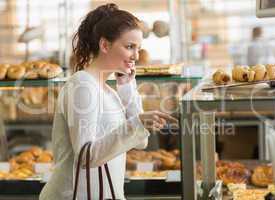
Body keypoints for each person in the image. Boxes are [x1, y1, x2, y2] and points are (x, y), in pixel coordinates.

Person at [39, 3, 177, 200]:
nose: (136, 56)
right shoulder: (82, 84)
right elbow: (87, 156)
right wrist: (137, 123)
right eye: (130, 47)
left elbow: (141, 142)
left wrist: (128, 87)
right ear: (105, 45)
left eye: (138, 49)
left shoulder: (109, 91)